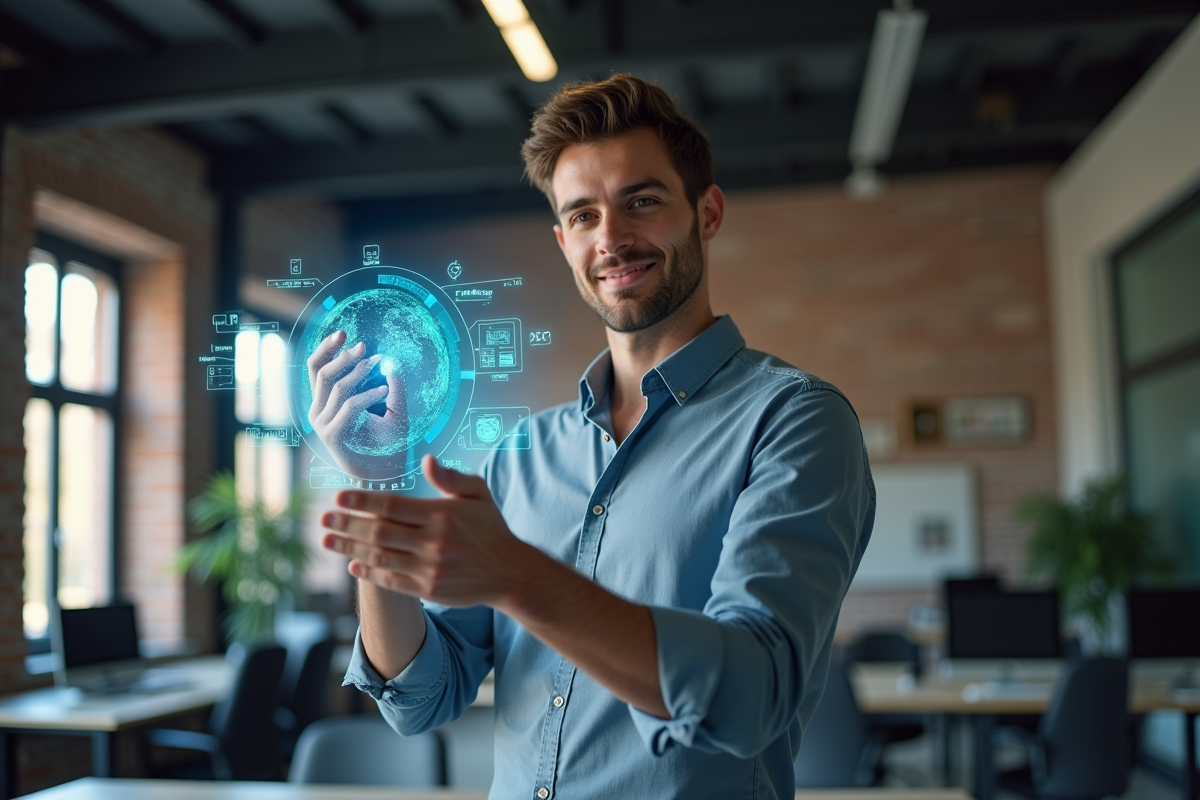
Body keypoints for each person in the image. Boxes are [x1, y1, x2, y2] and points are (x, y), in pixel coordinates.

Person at [314, 74, 875, 799]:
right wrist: (378, 483)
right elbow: (423, 697)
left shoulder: (794, 421)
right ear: (562, 239)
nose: (611, 237)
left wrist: (518, 576)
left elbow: (751, 696)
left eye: (641, 201)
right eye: (583, 215)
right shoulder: (522, 458)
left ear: (707, 213)